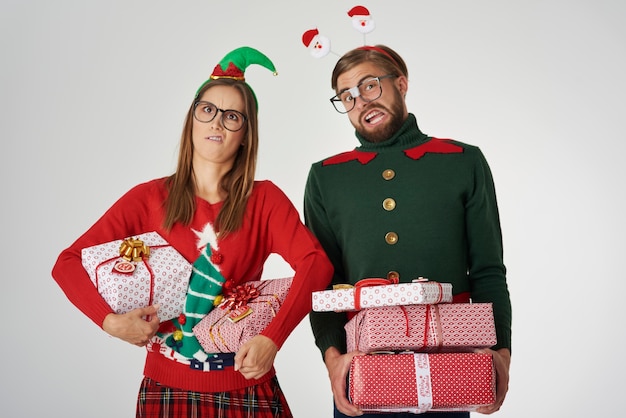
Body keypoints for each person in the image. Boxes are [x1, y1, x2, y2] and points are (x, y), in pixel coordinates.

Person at [52, 46, 333, 418]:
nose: (217, 122)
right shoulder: (149, 198)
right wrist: (111, 322)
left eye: (233, 116)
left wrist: (272, 338)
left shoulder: (264, 200)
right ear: (193, 120)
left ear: (246, 134)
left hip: (246, 387)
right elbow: (68, 263)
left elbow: (316, 265)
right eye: (208, 110)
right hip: (166, 391)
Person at [305, 45, 512, 417]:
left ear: (401, 83)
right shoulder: (326, 176)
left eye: (370, 85)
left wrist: (501, 354)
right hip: (363, 368)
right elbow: (322, 281)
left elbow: (487, 271)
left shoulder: (463, 161)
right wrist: (333, 358)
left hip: (453, 362)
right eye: (347, 96)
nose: (360, 101)